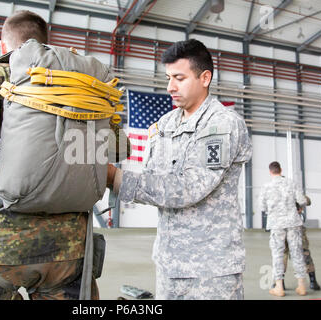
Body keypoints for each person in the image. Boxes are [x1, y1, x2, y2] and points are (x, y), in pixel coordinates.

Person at [0, 10, 128, 300]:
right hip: (70, 247)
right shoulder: (82, 85)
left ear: (5, 46)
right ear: (44, 42)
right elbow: (113, 148)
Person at [107, 39, 253, 300]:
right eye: (168, 77)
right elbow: (153, 180)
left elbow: (189, 188)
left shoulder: (221, 124)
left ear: (204, 77)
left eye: (179, 78)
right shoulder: (165, 124)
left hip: (210, 271)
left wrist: (114, 178)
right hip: (169, 264)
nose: (170, 87)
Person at [259, 161, 308, 297]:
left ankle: (279, 287)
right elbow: (302, 200)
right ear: (281, 170)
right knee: (297, 253)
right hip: (293, 222)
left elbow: (262, 207)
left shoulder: (266, 186)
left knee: (277, 255)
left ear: (270, 171)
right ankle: (302, 286)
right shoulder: (291, 183)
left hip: (276, 225)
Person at [283, 197, 321, 290]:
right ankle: (312, 281)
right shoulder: (292, 193)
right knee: (301, 253)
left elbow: (308, 201)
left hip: (286, 226)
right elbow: (307, 201)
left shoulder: (282, 193)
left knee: (301, 253)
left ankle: (312, 281)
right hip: (288, 226)